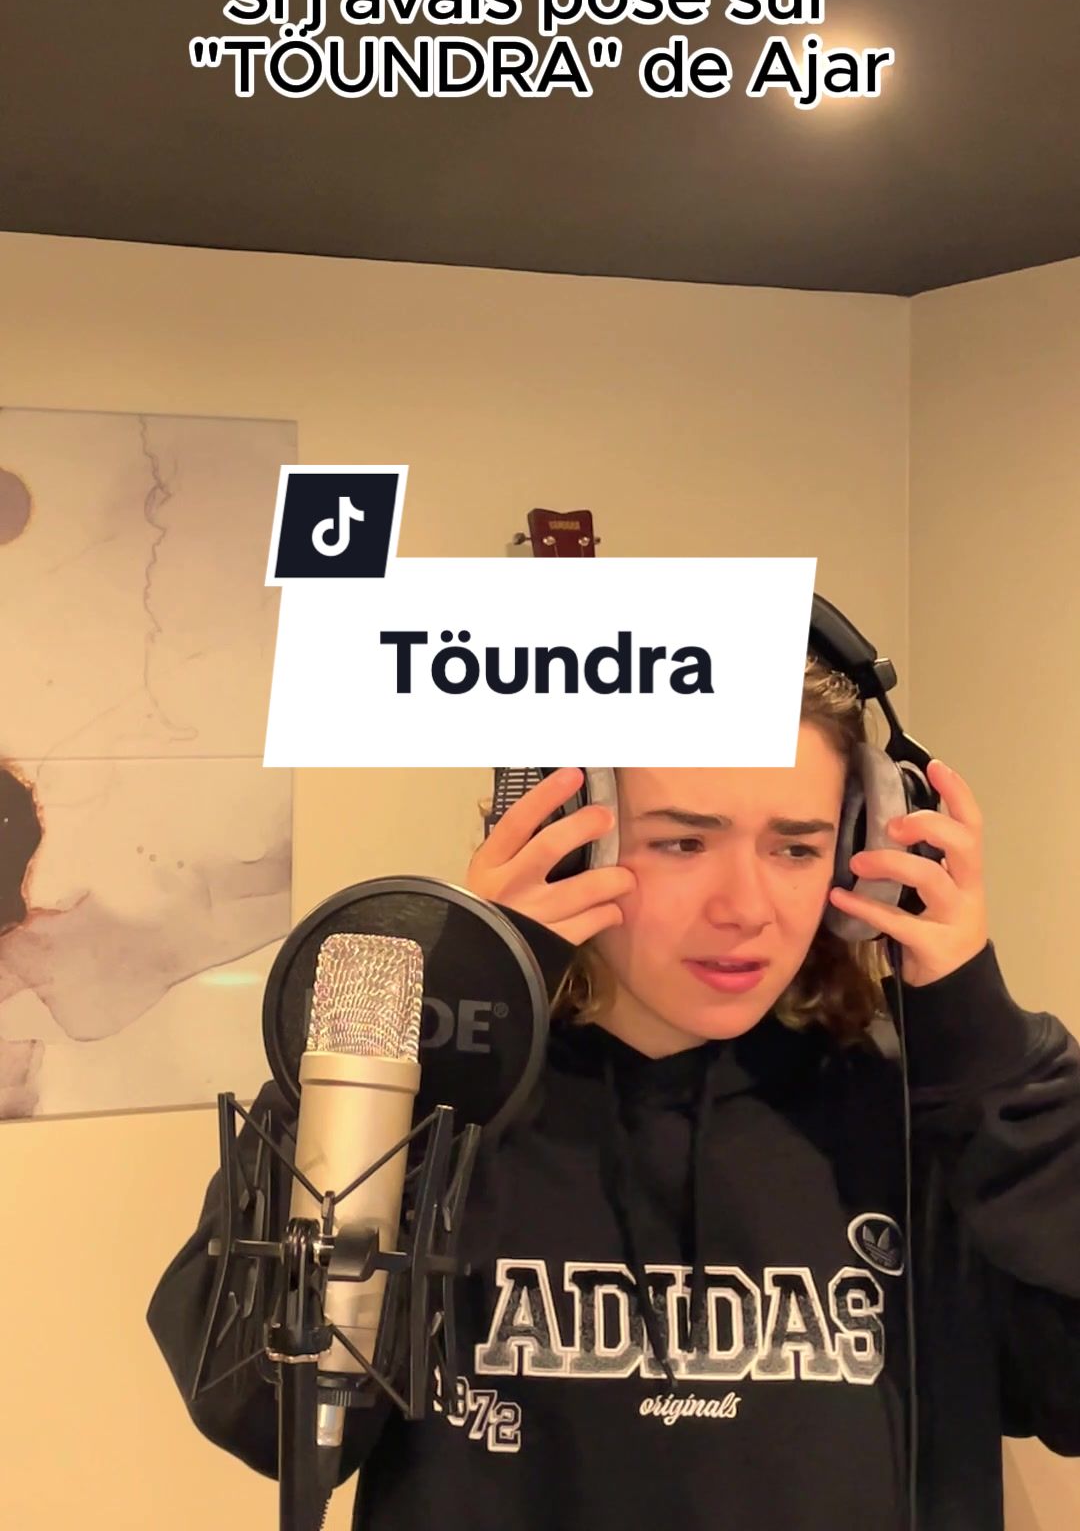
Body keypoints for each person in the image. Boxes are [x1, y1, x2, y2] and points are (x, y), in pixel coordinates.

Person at [147, 655, 1080, 1530]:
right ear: (571, 842)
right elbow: (255, 1415)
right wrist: (459, 1032)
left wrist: (990, 1056)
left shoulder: (938, 1111)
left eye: (796, 849)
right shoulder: (434, 1105)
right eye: (683, 841)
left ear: (858, 849)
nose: (745, 908)